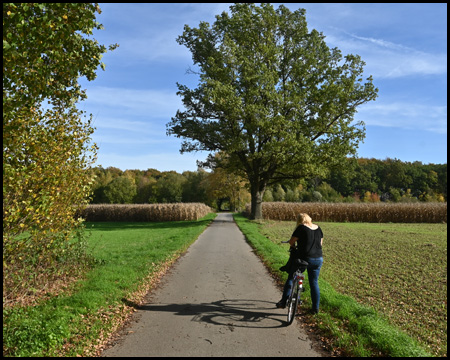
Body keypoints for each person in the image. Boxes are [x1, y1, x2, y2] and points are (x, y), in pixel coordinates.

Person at [276, 213, 323, 315]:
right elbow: (320, 244)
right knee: (314, 283)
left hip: (304, 259)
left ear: (299, 220)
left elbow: (292, 241)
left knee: (291, 277)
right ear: (309, 219)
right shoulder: (318, 228)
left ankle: (283, 301)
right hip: (318, 259)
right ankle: (315, 309)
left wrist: (293, 246)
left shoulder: (301, 228)